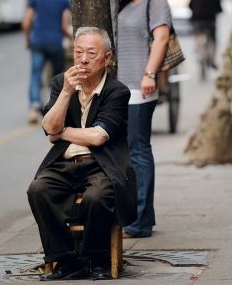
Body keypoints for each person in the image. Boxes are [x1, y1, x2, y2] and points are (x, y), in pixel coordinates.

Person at [27, 27, 136, 281]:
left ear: (107, 58)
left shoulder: (117, 91)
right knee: (38, 190)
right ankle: (66, 260)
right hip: (66, 163)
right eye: (78, 53)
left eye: (91, 53)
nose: (83, 59)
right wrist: (66, 92)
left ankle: (97, 258)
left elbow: (98, 136)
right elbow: (48, 126)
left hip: (102, 164)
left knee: (97, 197)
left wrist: (61, 132)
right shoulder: (60, 83)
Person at [117, 0, 171, 238]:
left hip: (140, 88)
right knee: (125, 153)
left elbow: (161, 38)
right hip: (120, 89)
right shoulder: (123, 3)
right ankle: (137, 216)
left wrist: (149, 74)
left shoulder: (155, 1)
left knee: (138, 151)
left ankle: (140, 220)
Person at [22, 0, 72, 124]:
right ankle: (53, 109)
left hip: (37, 42)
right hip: (55, 43)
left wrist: (28, 39)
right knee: (56, 77)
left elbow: (26, 22)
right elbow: (64, 25)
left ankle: (33, 108)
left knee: (35, 75)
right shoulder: (63, 0)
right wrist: (72, 38)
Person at [189, 0, 222, 70]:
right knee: (213, 41)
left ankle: (199, 53)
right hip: (210, 21)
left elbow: (190, 5)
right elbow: (219, 6)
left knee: (198, 39)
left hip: (198, 21)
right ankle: (212, 60)